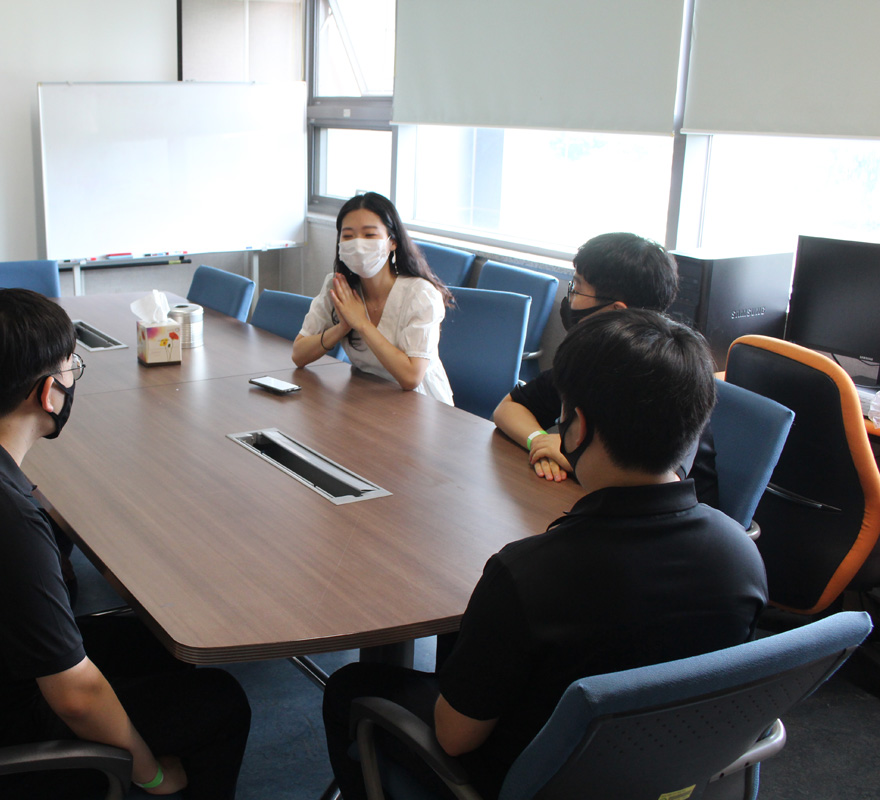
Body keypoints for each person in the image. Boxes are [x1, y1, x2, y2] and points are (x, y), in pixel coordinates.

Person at [322, 308, 768, 800]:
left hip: (533, 782)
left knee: (351, 688)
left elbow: (454, 736)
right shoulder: (742, 558)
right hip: (668, 776)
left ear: (576, 427)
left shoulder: (527, 574)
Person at [0, 289, 251, 799]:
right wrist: (149, 773)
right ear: (47, 393)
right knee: (220, 702)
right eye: (70, 369)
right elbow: (77, 698)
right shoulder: (0, 520)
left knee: (155, 646)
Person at [491, 232, 716, 503]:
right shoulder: (591, 359)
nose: (570, 298)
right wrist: (538, 440)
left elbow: (659, 481)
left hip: (668, 520)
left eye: (577, 289)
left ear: (615, 310)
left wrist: (569, 455)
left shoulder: (673, 375)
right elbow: (509, 408)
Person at [292, 192, 455, 405]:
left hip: (422, 403)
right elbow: (299, 355)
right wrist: (342, 327)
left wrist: (361, 323)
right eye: (348, 236)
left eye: (369, 235)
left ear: (392, 242)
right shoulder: (338, 286)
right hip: (370, 398)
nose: (358, 245)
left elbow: (411, 377)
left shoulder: (420, 294)